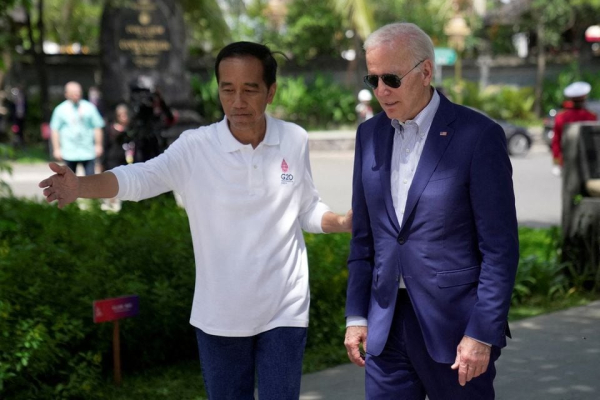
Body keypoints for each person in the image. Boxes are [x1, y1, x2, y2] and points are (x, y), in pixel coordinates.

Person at [39, 41, 352, 399]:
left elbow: (305, 208)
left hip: (285, 308)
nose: (237, 101)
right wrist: (80, 185)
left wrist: (341, 222)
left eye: (250, 89)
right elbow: (139, 178)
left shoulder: (294, 139)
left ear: (270, 91)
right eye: (227, 89)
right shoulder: (196, 147)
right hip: (219, 314)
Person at [343, 23, 519, 399]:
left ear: (425, 72)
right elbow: (365, 239)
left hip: (456, 330)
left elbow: (500, 249)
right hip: (385, 325)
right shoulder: (369, 135)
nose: (381, 91)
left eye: (391, 78)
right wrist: (356, 316)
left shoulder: (478, 136)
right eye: (372, 79)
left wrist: (481, 333)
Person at [50, 81, 104, 176]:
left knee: (91, 179)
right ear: (66, 94)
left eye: (78, 92)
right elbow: (55, 130)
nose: (76, 95)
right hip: (69, 151)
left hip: (87, 150)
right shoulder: (60, 109)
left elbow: (97, 127)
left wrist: (98, 145)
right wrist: (56, 149)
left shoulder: (89, 107)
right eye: (73, 92)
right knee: (68, 179)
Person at [551, 81, 597, 176]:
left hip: (568, 160)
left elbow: (556, 141)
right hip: (588, 161)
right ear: (585, 97)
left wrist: (556, 162)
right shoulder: (591, 116)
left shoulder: (561, 117)